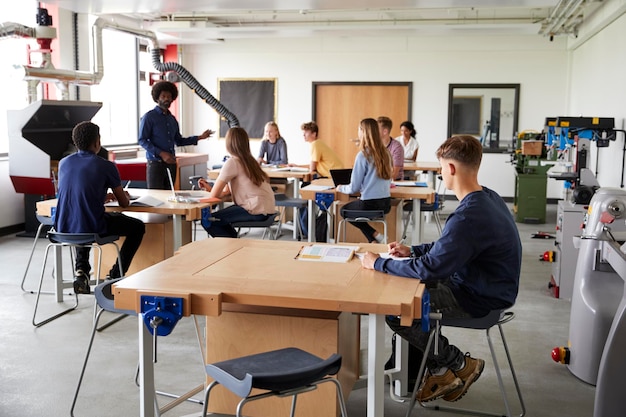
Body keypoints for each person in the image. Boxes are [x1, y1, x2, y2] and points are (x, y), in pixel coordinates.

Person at [361, 135, 522, 403]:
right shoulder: (488, 198)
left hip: (478, 297)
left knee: (397, 309)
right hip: (482, 286)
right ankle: (437, 370)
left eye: (440, 167)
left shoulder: (469, 215)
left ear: (450, 169)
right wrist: (412, 250)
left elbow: (431, 269)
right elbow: (447, 247)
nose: (440, 173)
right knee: (407, 292)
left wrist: (378, 263)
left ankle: (457, 365)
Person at [55, 121, 146, 294]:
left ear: (76, 142)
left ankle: (81, 272)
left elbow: (78, 191)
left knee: (80, 218)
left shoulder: (64, 163)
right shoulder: (105, 165)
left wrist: (100, 196)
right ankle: (114, 277)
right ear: (97, 142)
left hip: (62, 227)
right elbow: (124, 204)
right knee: (137, 227)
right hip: (92, 227)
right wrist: (123, 196)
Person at [197, 127, 276, 238]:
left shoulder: (232, 162)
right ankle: (234, 243)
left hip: (254, 210)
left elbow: (214, 196)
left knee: (208, 220)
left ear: (228, 144)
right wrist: (210, 188)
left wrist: (209, 192)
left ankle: (233, 245)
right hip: (267, 209)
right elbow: (226, 192)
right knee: (217, 219)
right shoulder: (250, 161)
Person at [138, 80, 213, 189]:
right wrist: (161, 153)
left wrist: (200, 137)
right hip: (155, 163)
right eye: (163, 96)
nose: (167, 99)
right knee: (156, 196)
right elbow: (142, 140)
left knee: (170, 195)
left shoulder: (172, 119)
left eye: (169, 96)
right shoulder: (149, 117)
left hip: (171, 164)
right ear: (157, 98)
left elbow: (179, 141)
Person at [337, 118, 393, 243]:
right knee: (355, 210)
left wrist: (340, 188)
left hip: (369, 204)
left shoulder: (363, 155)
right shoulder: (386, 153)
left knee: (343, 211)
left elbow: (354, 188)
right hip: (385, 204)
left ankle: (376, 234)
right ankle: (373, 240)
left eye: (358, 129)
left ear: (362, 131)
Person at [377, 116, 404, 180]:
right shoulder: (375, 145)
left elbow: (394, 174)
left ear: (385, 131)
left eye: (376, 129)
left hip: (395, 182)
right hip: (379, 182)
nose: (373, 132)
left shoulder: (397, 147)